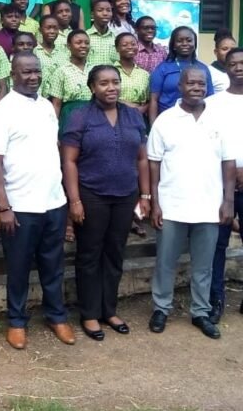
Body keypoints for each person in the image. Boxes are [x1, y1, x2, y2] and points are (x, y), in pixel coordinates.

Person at [0, 51, 75, 350]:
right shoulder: (2, 111)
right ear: (13, 73)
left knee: (53, 265)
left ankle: (56, 316)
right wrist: (4, 207)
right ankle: (16, 321)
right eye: (26, 72)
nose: (33, 76)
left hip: (54, 201)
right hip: (20, 206)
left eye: (36, 71)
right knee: (19, 267)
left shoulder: (48, 106)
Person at [61, 65, 150, 340]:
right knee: (89, 254)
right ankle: (89, 314)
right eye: (103, 83)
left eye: (115, 82)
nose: (110, 88)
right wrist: (74, 200)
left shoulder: (133, 116)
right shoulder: (80, 116)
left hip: (125, 195)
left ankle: (109, 310)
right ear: (92, 88)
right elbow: (69, 161)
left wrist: (145, 195)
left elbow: (142, 159)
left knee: (114, 253)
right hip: (91, 195)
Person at [147, 67, 236, 339]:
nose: (196, 87)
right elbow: (153, 162)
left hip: (209, 205)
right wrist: (155, 202)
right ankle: (161, 308)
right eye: (191, 83)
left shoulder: (219, 119)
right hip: (172, 204)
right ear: (180, 86)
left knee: (203, 265)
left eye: (201, 83)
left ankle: (200, 311)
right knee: (165, 261)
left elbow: (228, 163)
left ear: (207, 86)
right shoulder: (165, 120)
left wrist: (228, 201)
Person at [204, 48, 243, 323]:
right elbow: (205, 143)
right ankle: (215, 300)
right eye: (233, 63)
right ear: (225, 67)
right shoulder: (212, 103)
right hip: (220, 185)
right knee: (217, 246)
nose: (238, 67)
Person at [148, 26, 214, 125]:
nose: (185, 44)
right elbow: (153, 100)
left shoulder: (203, 69)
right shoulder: (162, 69)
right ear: (173, 45)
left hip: (197, 121)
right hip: (168, 122)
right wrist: (153, 126)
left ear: (194, 44)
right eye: (180, 41)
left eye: (189, 40)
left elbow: (209, 98)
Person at [47, 29, 92, 131]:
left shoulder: (95, 70)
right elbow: (57, 104)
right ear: (69, 46)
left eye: (86, 43)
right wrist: (54, 129)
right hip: (70, 120)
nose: (83, 46)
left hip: (93, 119)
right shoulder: (61, 71)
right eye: (78, 43)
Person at [115, 33, 150, 116]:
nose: (130, 47)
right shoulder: (111, 72)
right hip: (116, 115)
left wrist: (141, 109)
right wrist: (128, 106)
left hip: (139, 117)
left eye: (133, 44)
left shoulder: (144, 74)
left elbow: (150, 99)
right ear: (117, 48)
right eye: (124, 45)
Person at [35, 14, 68, 97]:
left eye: (55, 28)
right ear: (40, 30)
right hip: (40, 98)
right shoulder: (34, 52)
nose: (52, 31)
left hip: (60, 98)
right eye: (48, 28)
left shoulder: (64, 53)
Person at [87, 0, 117, 66]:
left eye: (108, 10)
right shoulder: (85, 37)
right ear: (92, 14)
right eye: (100, 10)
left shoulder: (116, 37)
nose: (105, 13)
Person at [209, 29, 236, 93]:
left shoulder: (239, 71)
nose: (229, 52)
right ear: (216, 52)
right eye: (225, 49)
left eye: (233, 49)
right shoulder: (208, 72)